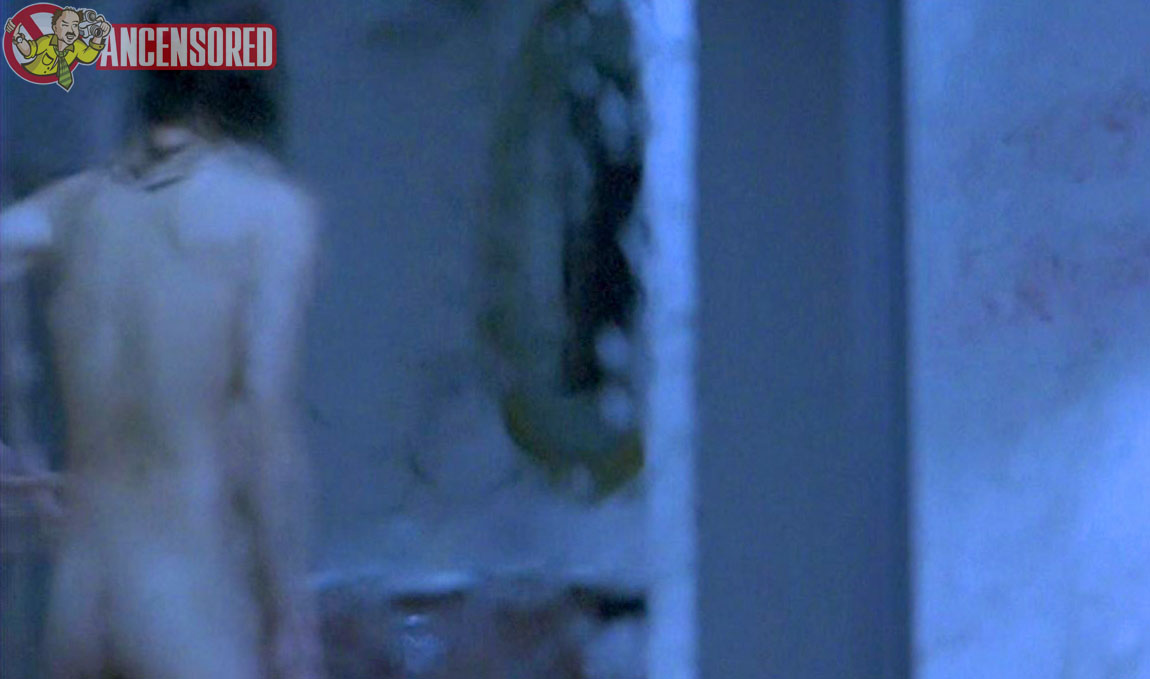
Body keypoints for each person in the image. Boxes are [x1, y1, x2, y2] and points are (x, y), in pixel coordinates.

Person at [0, 2, 324, 677]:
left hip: (80, 594)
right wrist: (289, 608)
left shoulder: (78, 206)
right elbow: (265, 422)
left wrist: (16, 440)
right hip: (185, 600)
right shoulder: (269, 214)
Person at [5, 6, 111, 90]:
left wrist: (99, 35)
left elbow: (88, 56)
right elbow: (29, 51)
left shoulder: (77, 46)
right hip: (27, 82)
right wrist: (17, 37)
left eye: (75, 25)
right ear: (55, 29)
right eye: (65, 25)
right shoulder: (47, 41)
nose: (71, 30)